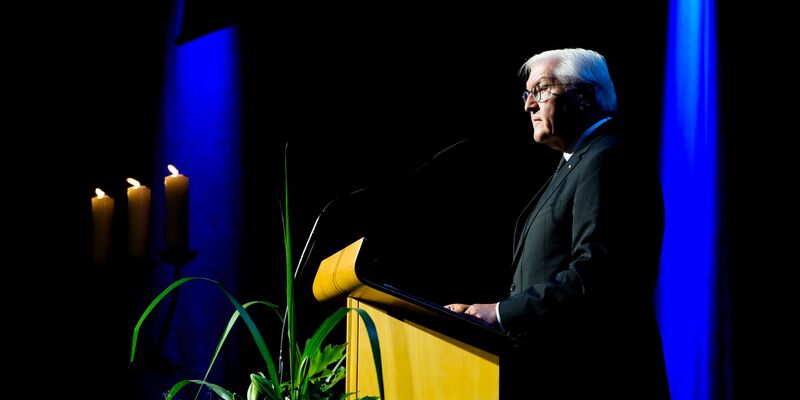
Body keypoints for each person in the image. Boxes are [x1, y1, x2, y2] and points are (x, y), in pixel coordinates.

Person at [446, 48, 670, 399]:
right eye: (527, 94)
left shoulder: (607, 158)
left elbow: (598, 275)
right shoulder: (578, 162)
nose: (528, 105)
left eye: (541, 90)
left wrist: (501, 313)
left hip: (596, 377)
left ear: (584, 97)